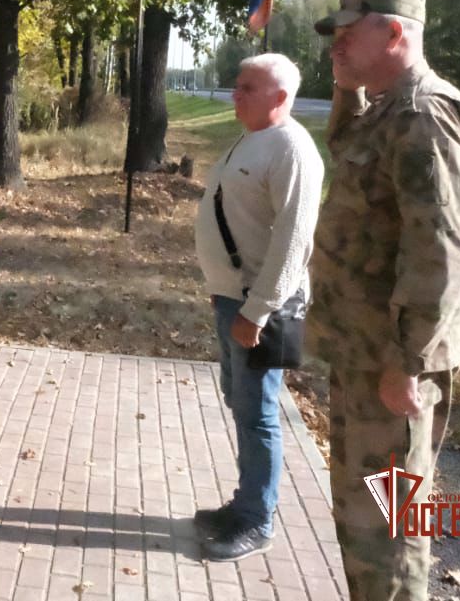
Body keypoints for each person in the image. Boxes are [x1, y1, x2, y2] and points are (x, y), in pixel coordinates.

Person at [309, 0, 460, 601]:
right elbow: (351, 151)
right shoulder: (386, 108)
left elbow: (442, 248)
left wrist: (409, 360)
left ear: (395, 33)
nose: (336, 44)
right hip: (364, 353)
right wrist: (346, 86)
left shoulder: (425, 114)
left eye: (349, 32)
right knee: (362, 522)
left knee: (392, 530)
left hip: (394, 362)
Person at [193, 53, 324, 561]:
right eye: (238, 85)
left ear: (280, 97)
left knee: (259, 414)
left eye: (248, 87)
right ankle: (245, 503)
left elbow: (293, 243)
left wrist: (258, 310)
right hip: (235, 298)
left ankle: (256, 521)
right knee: (241, 402)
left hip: (260, 307)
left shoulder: (292, 149)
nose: (236, 94)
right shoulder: (251, 138)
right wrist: (222, 287)